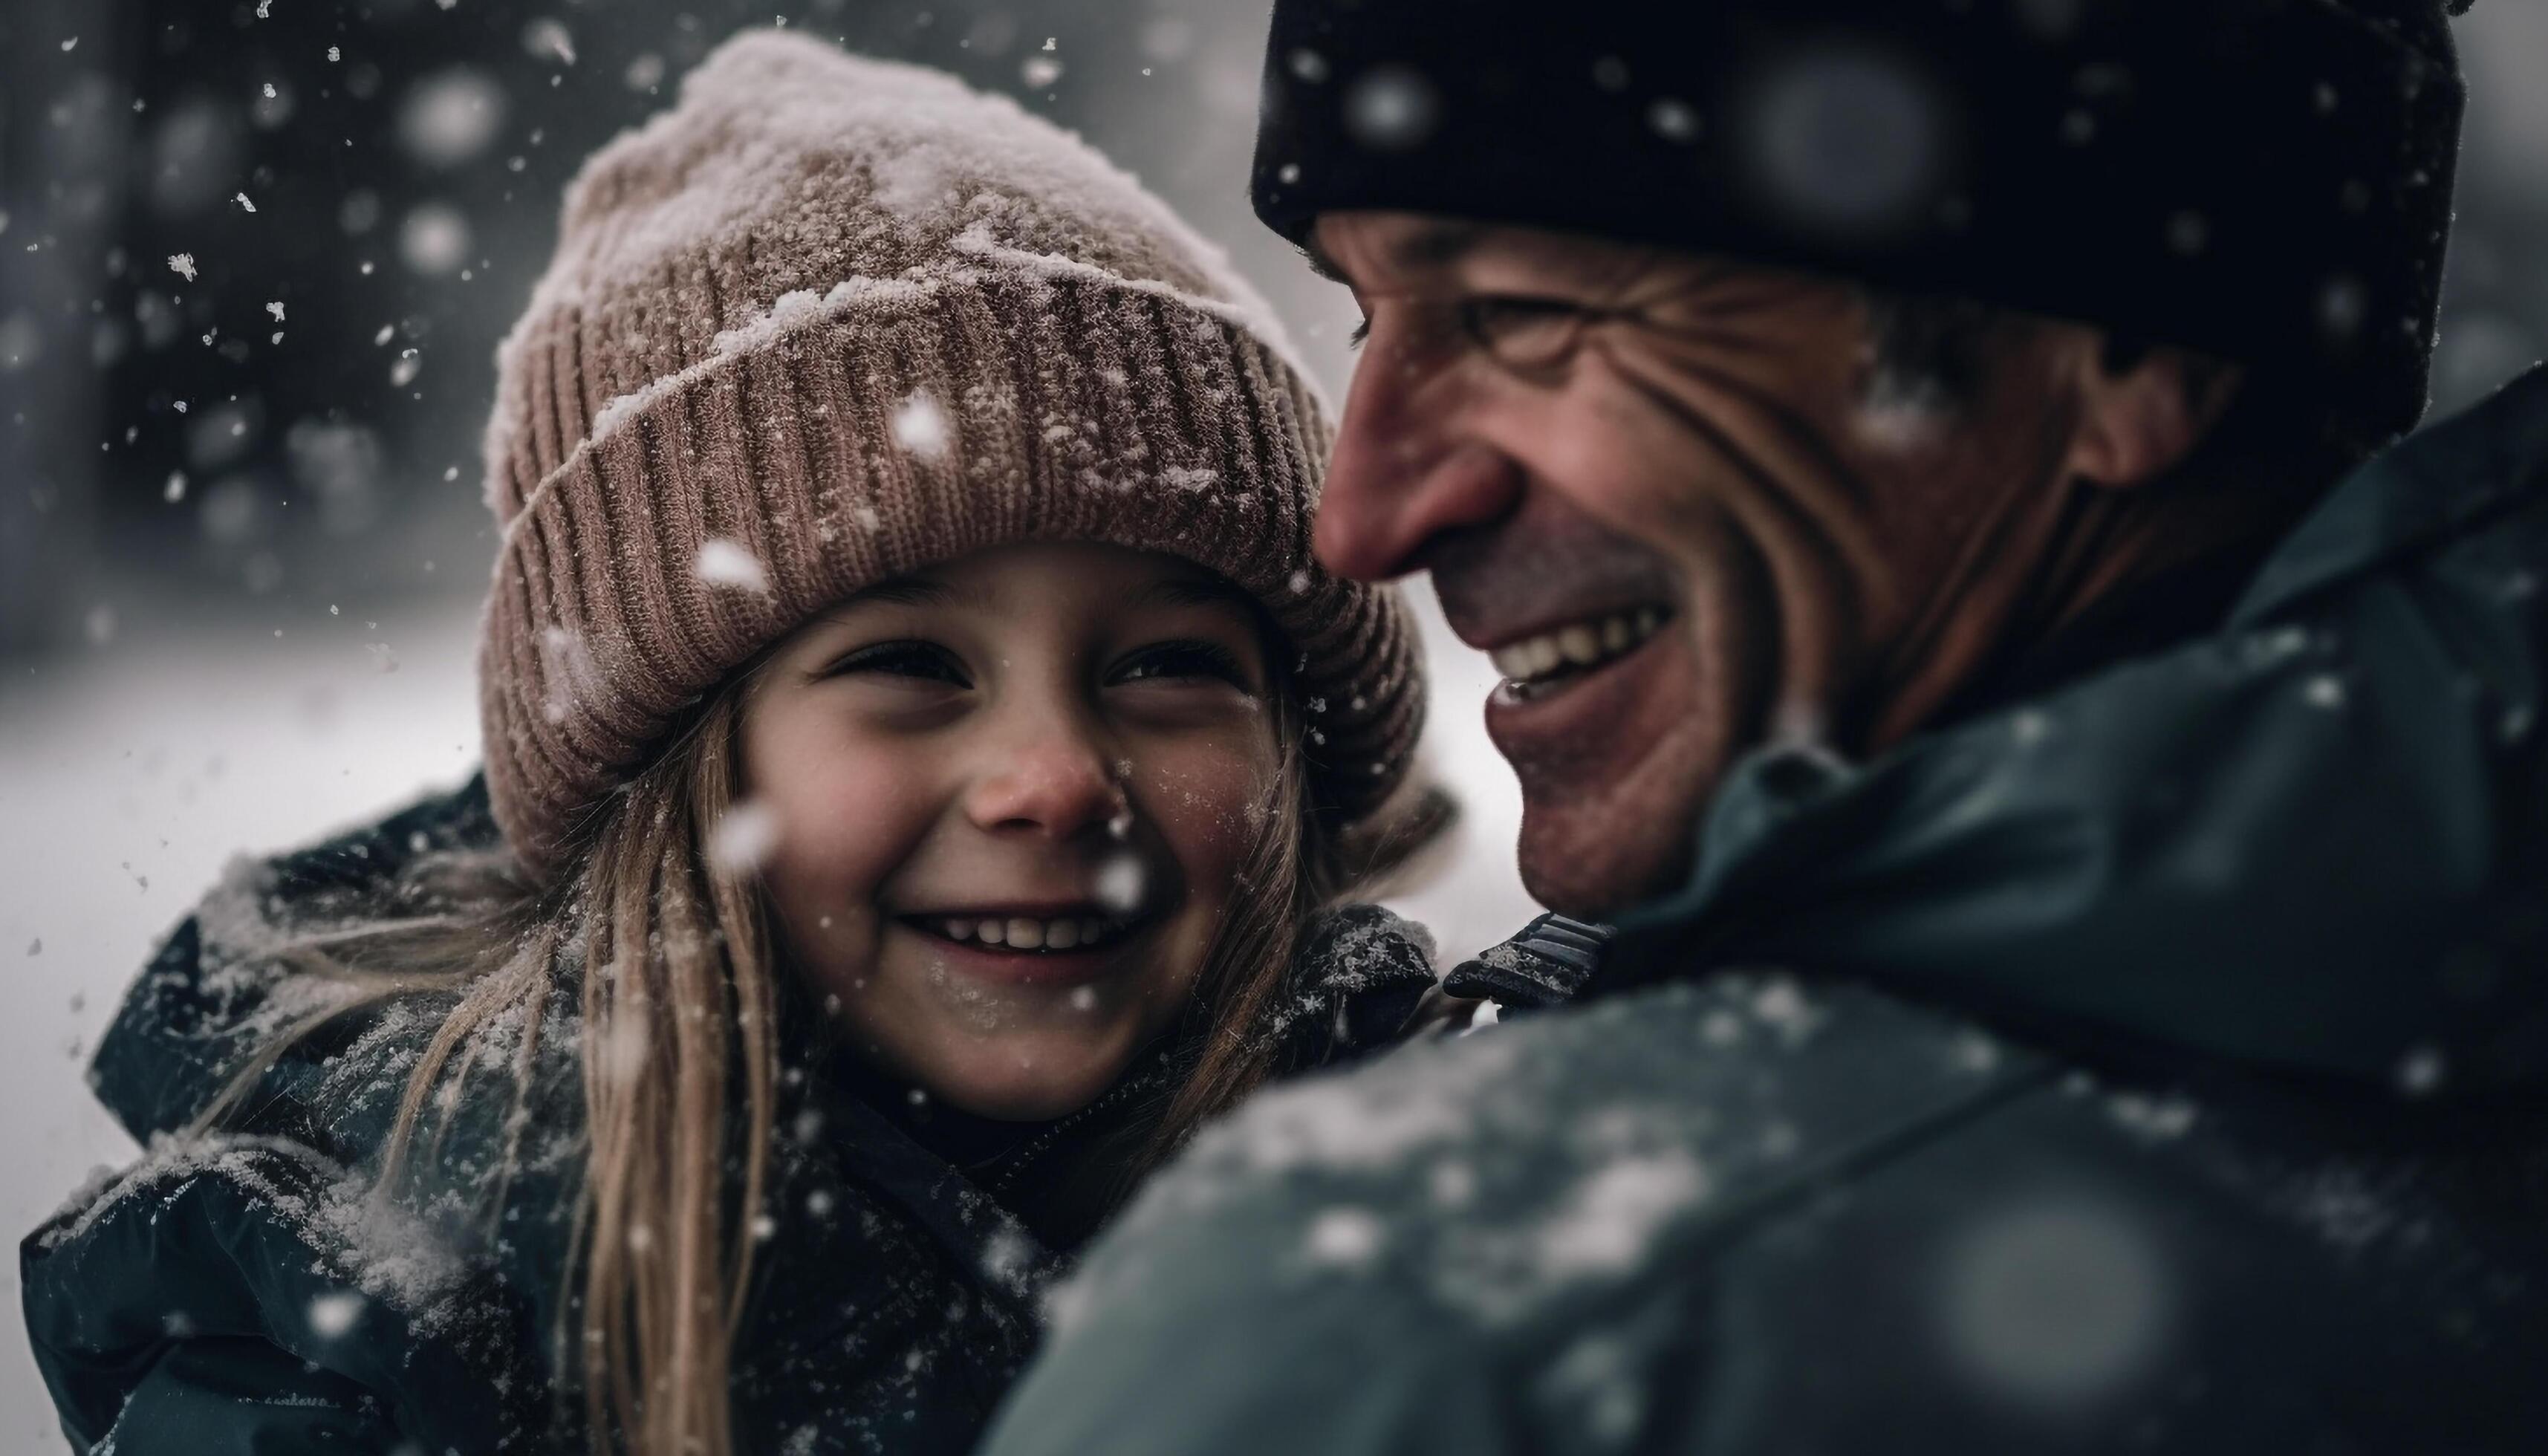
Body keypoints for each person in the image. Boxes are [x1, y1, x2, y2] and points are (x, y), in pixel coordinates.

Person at [980, 1, 2548, 1452]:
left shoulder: (1431, 1319)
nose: (1361, 514)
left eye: (1522, 314)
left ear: (2123, 347)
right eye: (1366, 316)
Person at [20, 31, 1446, 1456]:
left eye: (1167, 665)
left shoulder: (1455, 1214)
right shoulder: (382, 1356)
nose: (1057, 778)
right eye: (908, 664)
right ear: (677, 779)